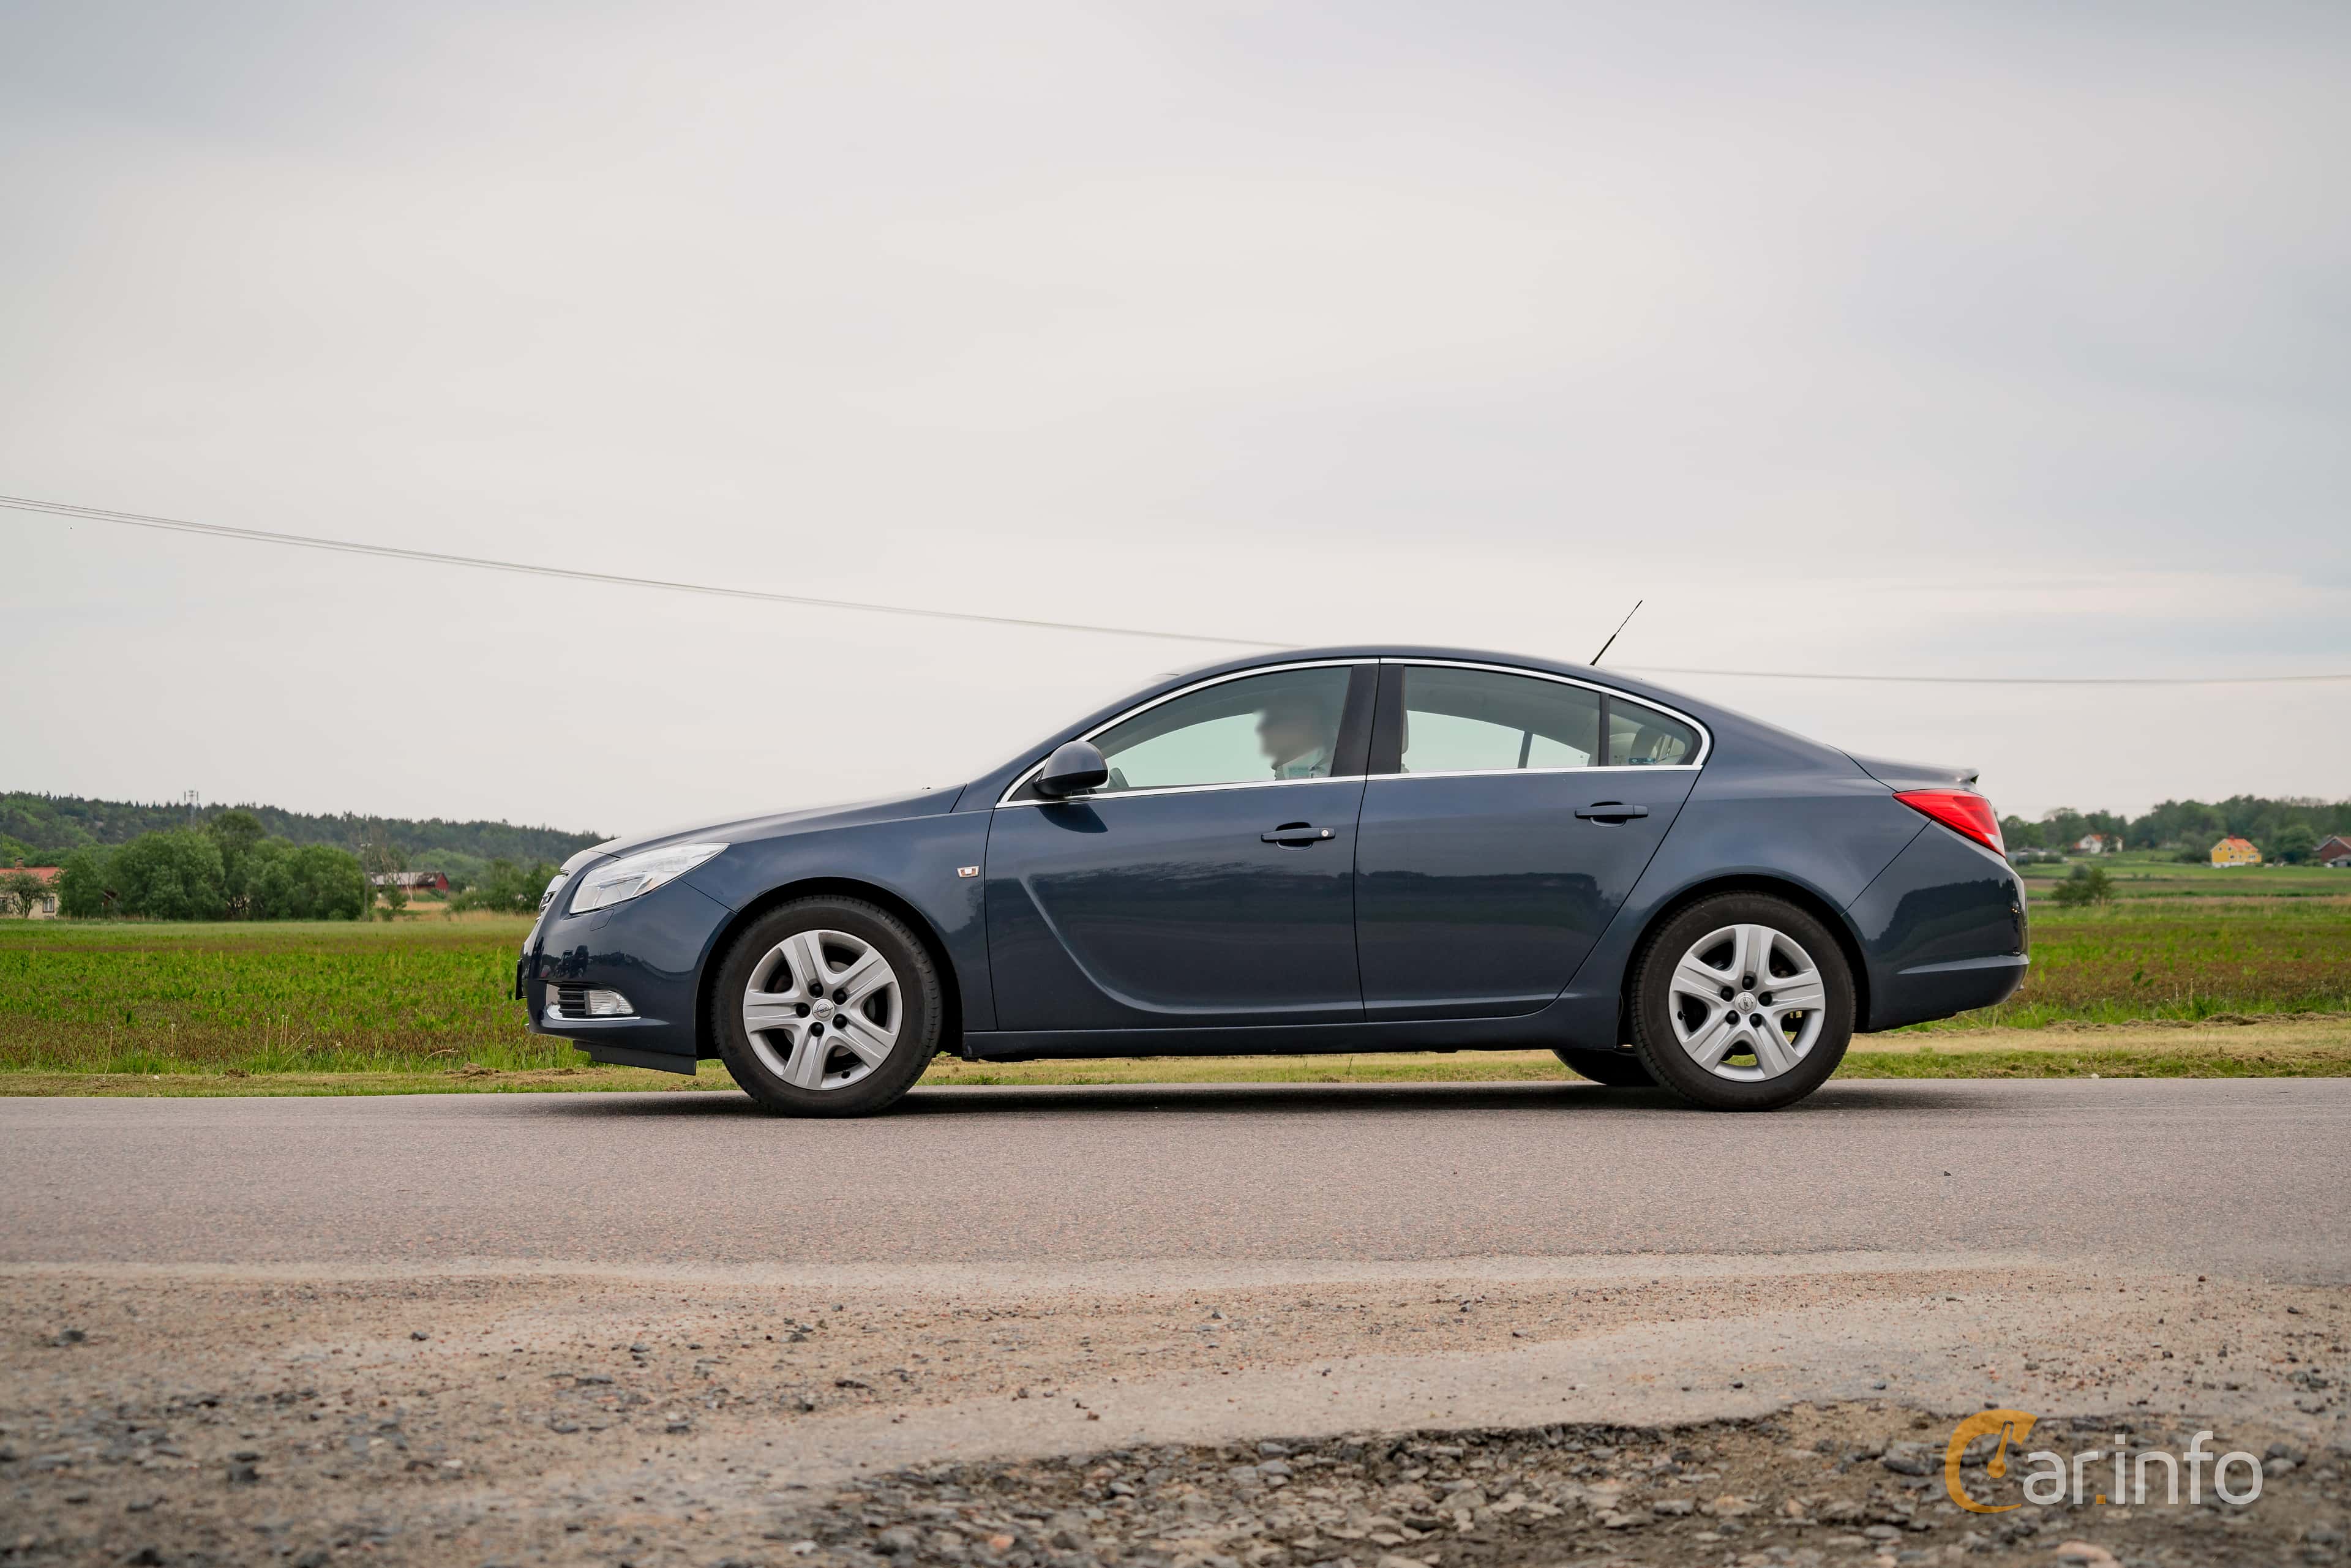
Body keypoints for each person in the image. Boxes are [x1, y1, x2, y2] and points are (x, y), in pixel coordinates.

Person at [1256, 689, 1337, 779]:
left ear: (1305, 724)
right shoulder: (1298, 774)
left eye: (1273, 720)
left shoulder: (1323, 779)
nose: (1260, 728)